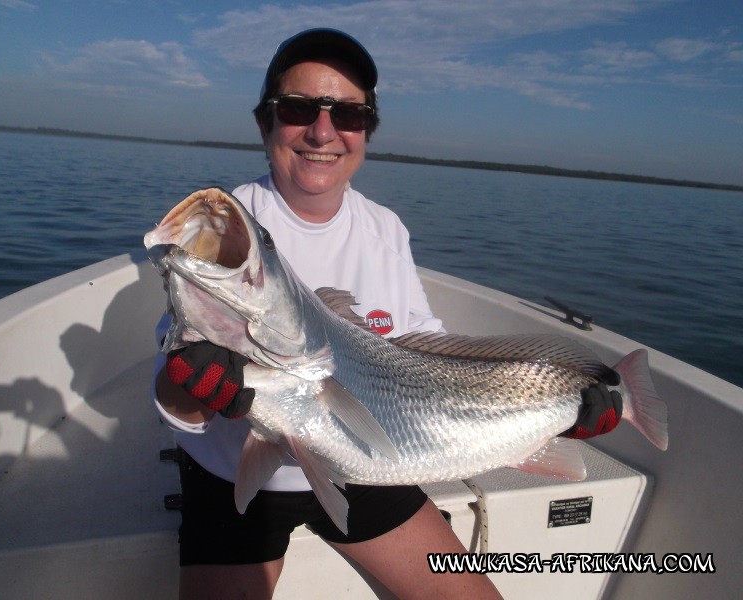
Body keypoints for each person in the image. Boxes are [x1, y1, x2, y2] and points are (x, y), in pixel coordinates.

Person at [153, 28, 621, 600]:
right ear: (265, 123)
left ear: (366, 132)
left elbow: (421, 341)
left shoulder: (384, 228)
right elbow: (177, 380)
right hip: (233, 479)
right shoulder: (232, 233)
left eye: (348, 115)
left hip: (368, 466)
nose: (323, 131)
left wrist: (552, 408)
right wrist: (193, 385)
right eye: (299, 108)